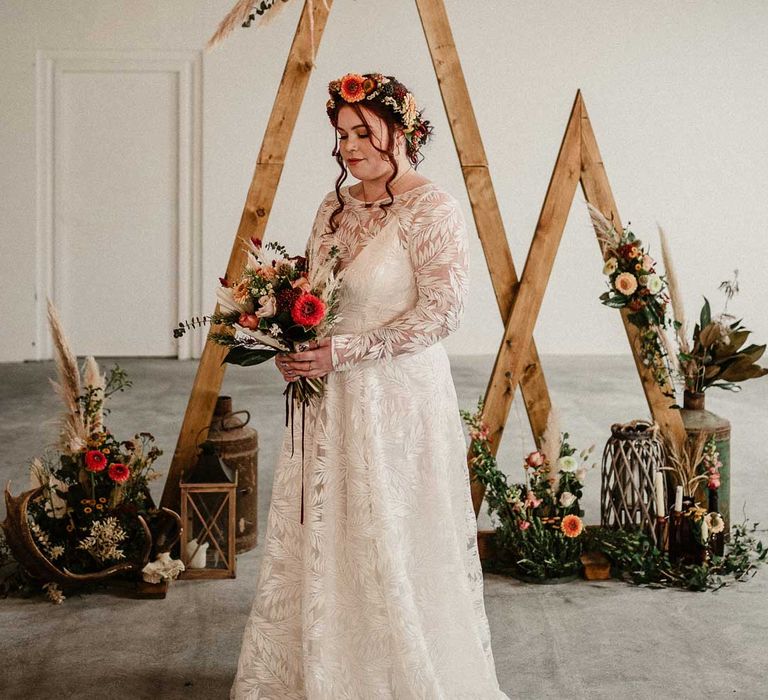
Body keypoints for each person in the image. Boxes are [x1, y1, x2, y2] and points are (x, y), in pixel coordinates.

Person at [230, 72, 508, 699]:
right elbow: (313, 297)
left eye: (362, 133)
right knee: (329, 531)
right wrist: (292, 347)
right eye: (341, 134)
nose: (349, 147)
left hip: (396, 397)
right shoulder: (333, 205)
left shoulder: (431, 207)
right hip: (328, 398)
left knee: (391, 532)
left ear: (400, 131)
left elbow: (442, 312)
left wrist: (348, 351)